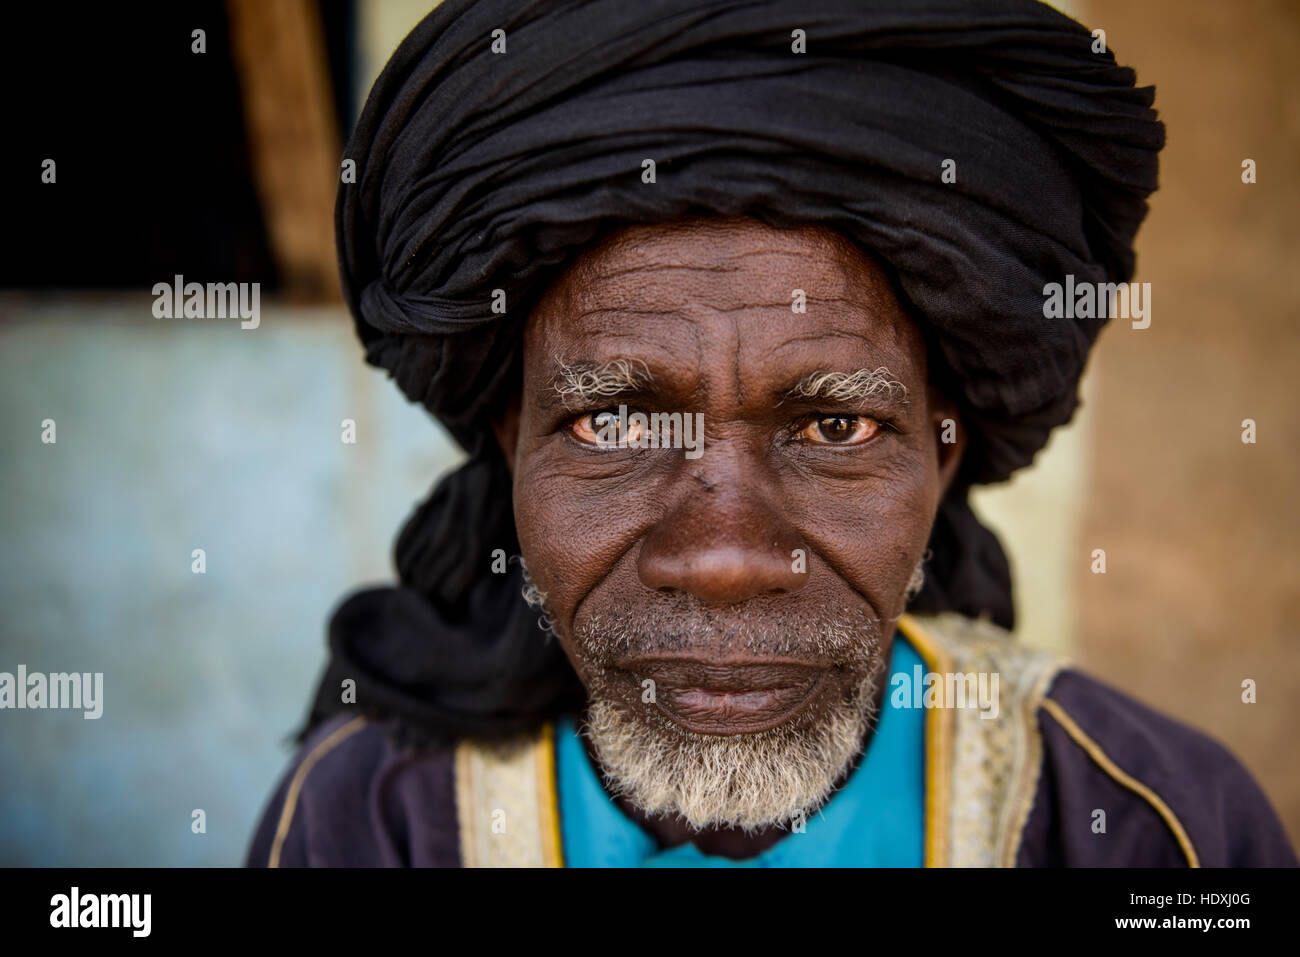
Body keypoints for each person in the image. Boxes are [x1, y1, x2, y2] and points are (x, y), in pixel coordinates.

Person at [247, 0, 1296, 867]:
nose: (725, 559)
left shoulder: (1142, 826)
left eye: (835, 424)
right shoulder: (373, 823)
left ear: (942, 455)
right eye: (613, 421)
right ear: (514, 444)